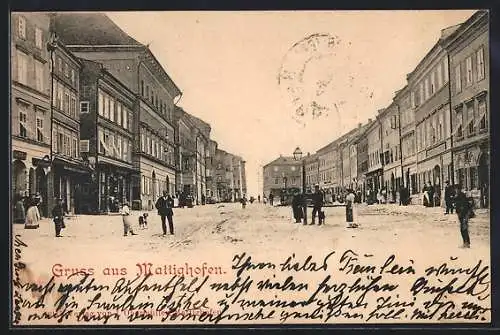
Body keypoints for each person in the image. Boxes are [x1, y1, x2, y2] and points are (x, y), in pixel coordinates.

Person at [454, 184, 473, 248]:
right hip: (461, 214)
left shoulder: (462, 196)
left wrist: (464, 215)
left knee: (463, 229)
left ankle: (466, 243)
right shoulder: (459, 195)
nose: (456, 190)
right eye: (455, 189)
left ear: (459, 189)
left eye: (457, 189)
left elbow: (464, 206)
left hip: (464, 214)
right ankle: (466, 242)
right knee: (463, 229)